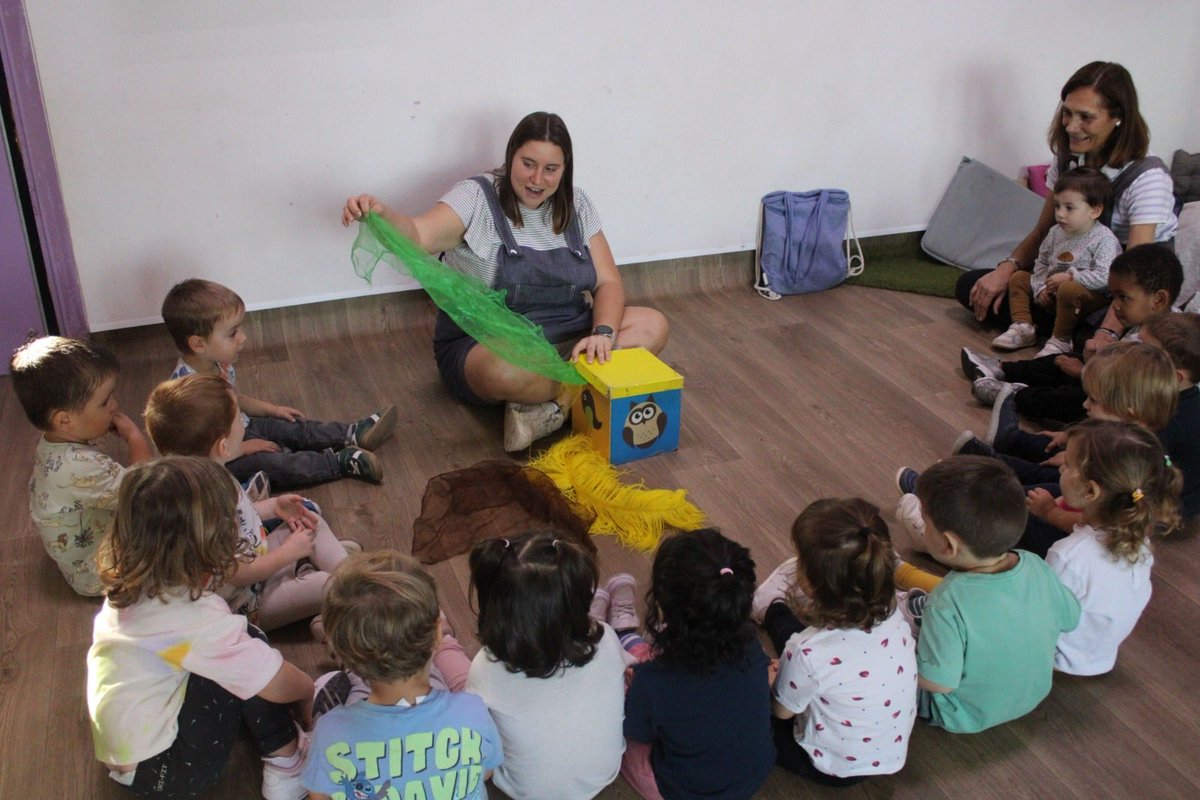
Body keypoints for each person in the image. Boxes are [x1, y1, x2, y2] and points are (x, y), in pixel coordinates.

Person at [341, 111, 669, 452]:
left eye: (551, 169)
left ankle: (554, 405)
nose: (537, 179)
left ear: (565, 169)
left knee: (652, 325)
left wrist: (602, 333)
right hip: (489, 343)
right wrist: (382, 214)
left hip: (569, 333)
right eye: (528, 163)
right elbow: (420, 234)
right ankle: (575, 393)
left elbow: (609, 283)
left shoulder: (578, 204)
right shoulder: (476, 197)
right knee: (511, 373)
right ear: (511, 156)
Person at [86, 456, 313, 800]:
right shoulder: (198, 620)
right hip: (173, 769)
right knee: (247, 647)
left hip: (126, 759)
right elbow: (279, 683)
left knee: (232, 649)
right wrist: (308, 690)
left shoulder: (129, 590)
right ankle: (286, 763)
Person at [959, 61, 1178, 346]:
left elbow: (1135, 276)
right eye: (1067, 113)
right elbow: (1042, 232)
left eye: (1086, 117)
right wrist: (1005, 270)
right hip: (1069, 278)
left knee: (1110, 331)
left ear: (1118, 117)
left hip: (1124, 291)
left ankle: (1077, 333)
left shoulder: (1148, 177)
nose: (1072, 126)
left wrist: (1107, 332)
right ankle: (1065, 331)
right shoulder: (1067, 159)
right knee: (973, 285)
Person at [144, 374, 358, 637]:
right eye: (238, 418)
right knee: (328, 585)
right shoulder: (200, 507)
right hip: (248, 603)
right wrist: (288, 553)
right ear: (223, 446)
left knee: (309, 521)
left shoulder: (212, 472)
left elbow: (240, 516)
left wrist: (273, 507)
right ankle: (344, 609)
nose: (244, 423)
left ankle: (345, 576)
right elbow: (238, 573)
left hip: (259, 557)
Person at [301, 550, 503, 800]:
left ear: (347, 655)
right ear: (437, 634)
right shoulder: (472, 712)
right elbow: (486, 771)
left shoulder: (330, 733)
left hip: (352, 720)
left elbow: (320, 797)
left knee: (334, 688)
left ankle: (346, 662)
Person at [162, 278, 396, 486]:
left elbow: (234, 399)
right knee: (276, 463)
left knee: (292, 425)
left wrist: (272, 410)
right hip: (223, 460)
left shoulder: (218, 364)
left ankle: (352, 433)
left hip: (241, 426)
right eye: (232, 333)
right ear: (198, 344)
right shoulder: (187, 395)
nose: (243, 338)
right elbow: (200, 455)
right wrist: (243, 448)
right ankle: (337, 462)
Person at [751, 499, 917, 787]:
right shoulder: (893, 615)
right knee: (796, 641)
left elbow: (782, 711)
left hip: (828, 767)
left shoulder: (807, 651)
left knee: (744, 715)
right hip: (887, 754)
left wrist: (768, 681)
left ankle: (772, 609)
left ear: (811, 585)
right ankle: (775, 611)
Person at [911, 457, 1080, 734]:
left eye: (924, 520)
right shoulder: (1035, 564)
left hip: (959, 713)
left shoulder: (947, 601)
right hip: (1032, 696)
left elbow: (938, 683)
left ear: (948, 544)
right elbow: (1071, 618)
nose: (923, 525)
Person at [465, 531, 626, 800]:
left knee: (463, 694)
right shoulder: (607, 637)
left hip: (526, 792)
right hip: (603, 775)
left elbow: (473, 726)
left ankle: (446, 642)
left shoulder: (485, 667)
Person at [620, 528, 775, 800]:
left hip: (686, 791)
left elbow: (635, 730)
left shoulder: (652, 681)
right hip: (754, 775)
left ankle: (621, 636)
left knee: (621, 739)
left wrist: (632, 692)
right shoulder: (751, 642)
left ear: (663, 605)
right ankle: (626, 637)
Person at [963, 244, 1183, 425]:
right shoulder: (1141, 324)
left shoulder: (1164, 341)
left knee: (1072, 399)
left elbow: (1127, 394)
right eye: (1113, 297)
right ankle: (1002, 369)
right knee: (1062, 361)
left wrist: (1086, 373)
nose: (1114, 307)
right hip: (1103, 380)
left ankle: (1015, 396)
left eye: (1123, 298)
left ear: (1159, 300)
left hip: (1115, 402)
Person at [1029, 420, 1182, 676]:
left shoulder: (1067, 555)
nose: (1062, 467)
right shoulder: (1136, 538)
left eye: (1068, 464)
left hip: (1057, 657)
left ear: (1089, 491)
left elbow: (1035, 616)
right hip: (1098, 655)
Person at [10, 336, 153, 596]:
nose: (115, 405)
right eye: (104, 402)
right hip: (101, 574)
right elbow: (139, 489)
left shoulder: (51, 444)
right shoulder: (80, 466)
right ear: (65, 420)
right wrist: (135, 439)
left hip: (85, 558)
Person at [991, 167, 1120, 357]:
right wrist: (1041, 287)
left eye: (1069, 208)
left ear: (1095, 210)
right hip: (1052, 291)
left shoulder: (1104, 239)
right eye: (1057, 205)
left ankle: (1061, 339)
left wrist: (1070, 277)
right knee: (1018, 277)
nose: (1060, 214)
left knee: (1068, 289)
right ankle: (1023, 326)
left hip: (1086, 296)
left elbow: (1105, 277)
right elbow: (1041, 262)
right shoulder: (1055, 233)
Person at [1140, 312, 1200, 534]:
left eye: (1147, 355)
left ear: (1175, 378)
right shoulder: (1174, 398)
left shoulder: (1167, 418)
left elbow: (1137, 473)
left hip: (1164, 508)